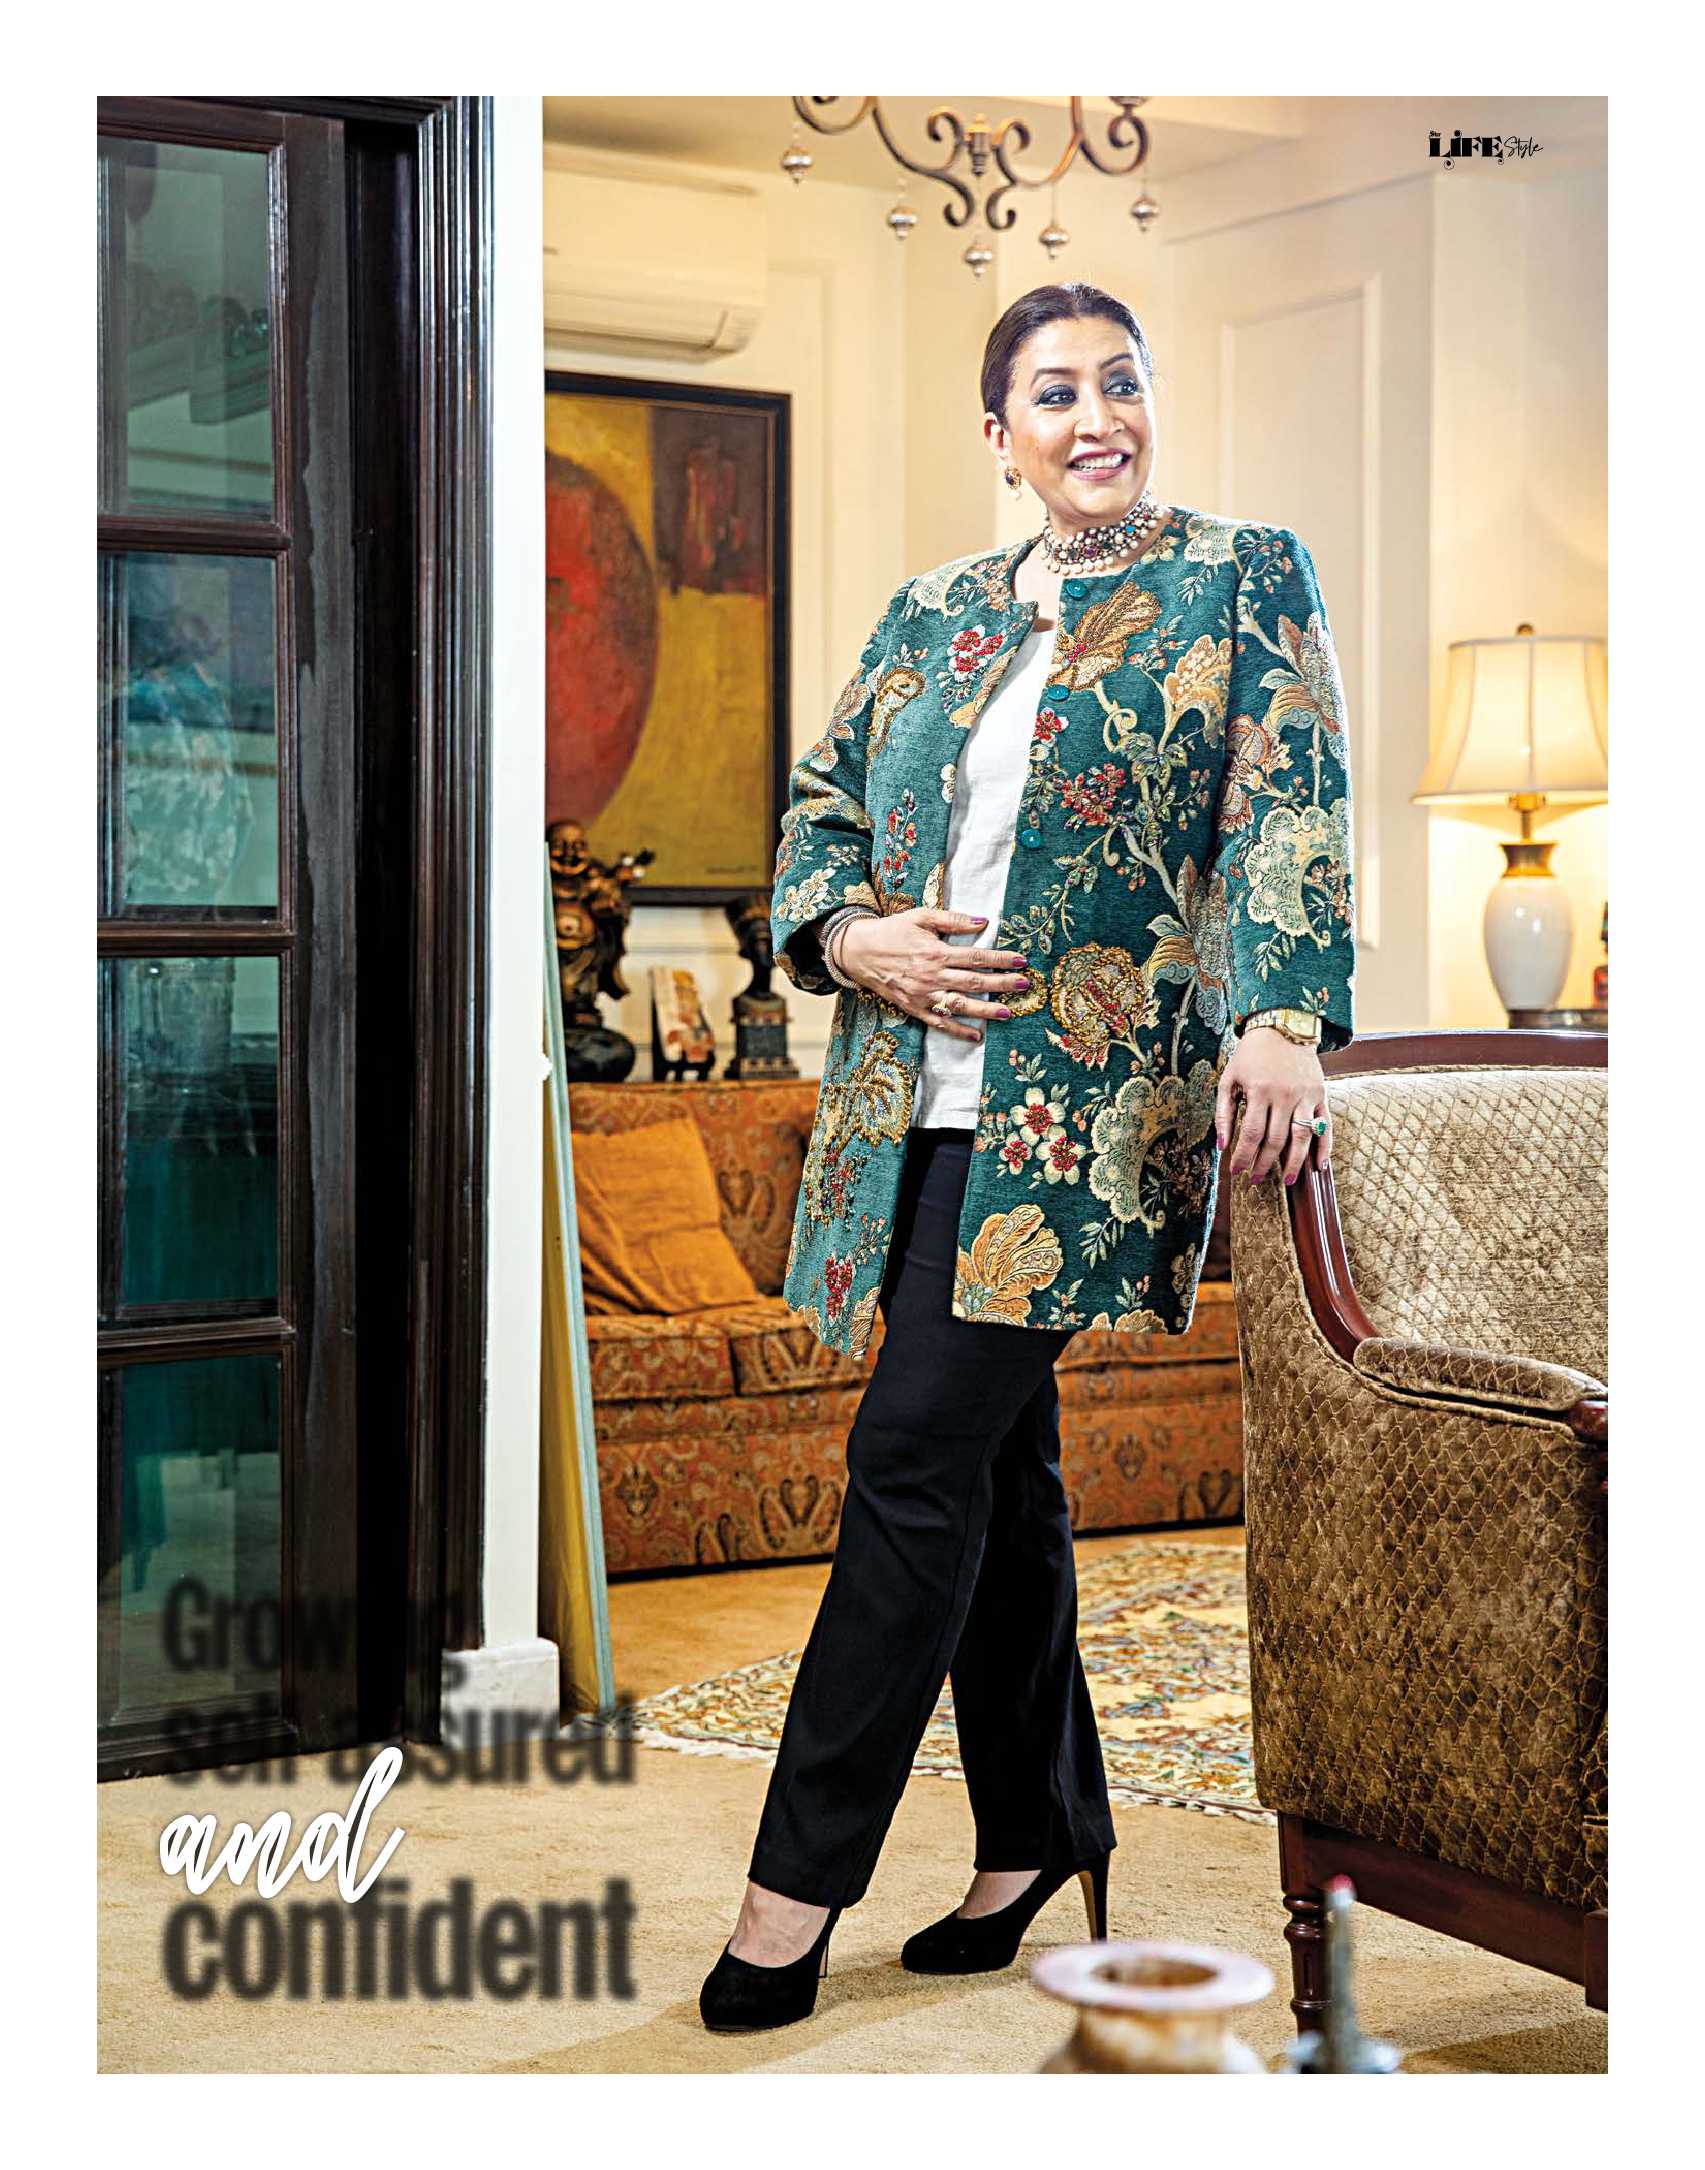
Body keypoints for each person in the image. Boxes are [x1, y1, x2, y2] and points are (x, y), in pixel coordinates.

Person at [699, 282, 1357, 2033]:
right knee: (997, 1472)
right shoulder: (931, 612)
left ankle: (789, 1890)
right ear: (1000, 435)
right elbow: (822, 810)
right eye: (1052, 392)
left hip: (1080, 1119)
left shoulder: (1237, 576)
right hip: (904, 1109)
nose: (1093, 416)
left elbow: (1286, 801)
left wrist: (1284, 1015)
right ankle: (1039, 1830)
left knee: (909, 1458)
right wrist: (851, 937)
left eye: (1118, 382)